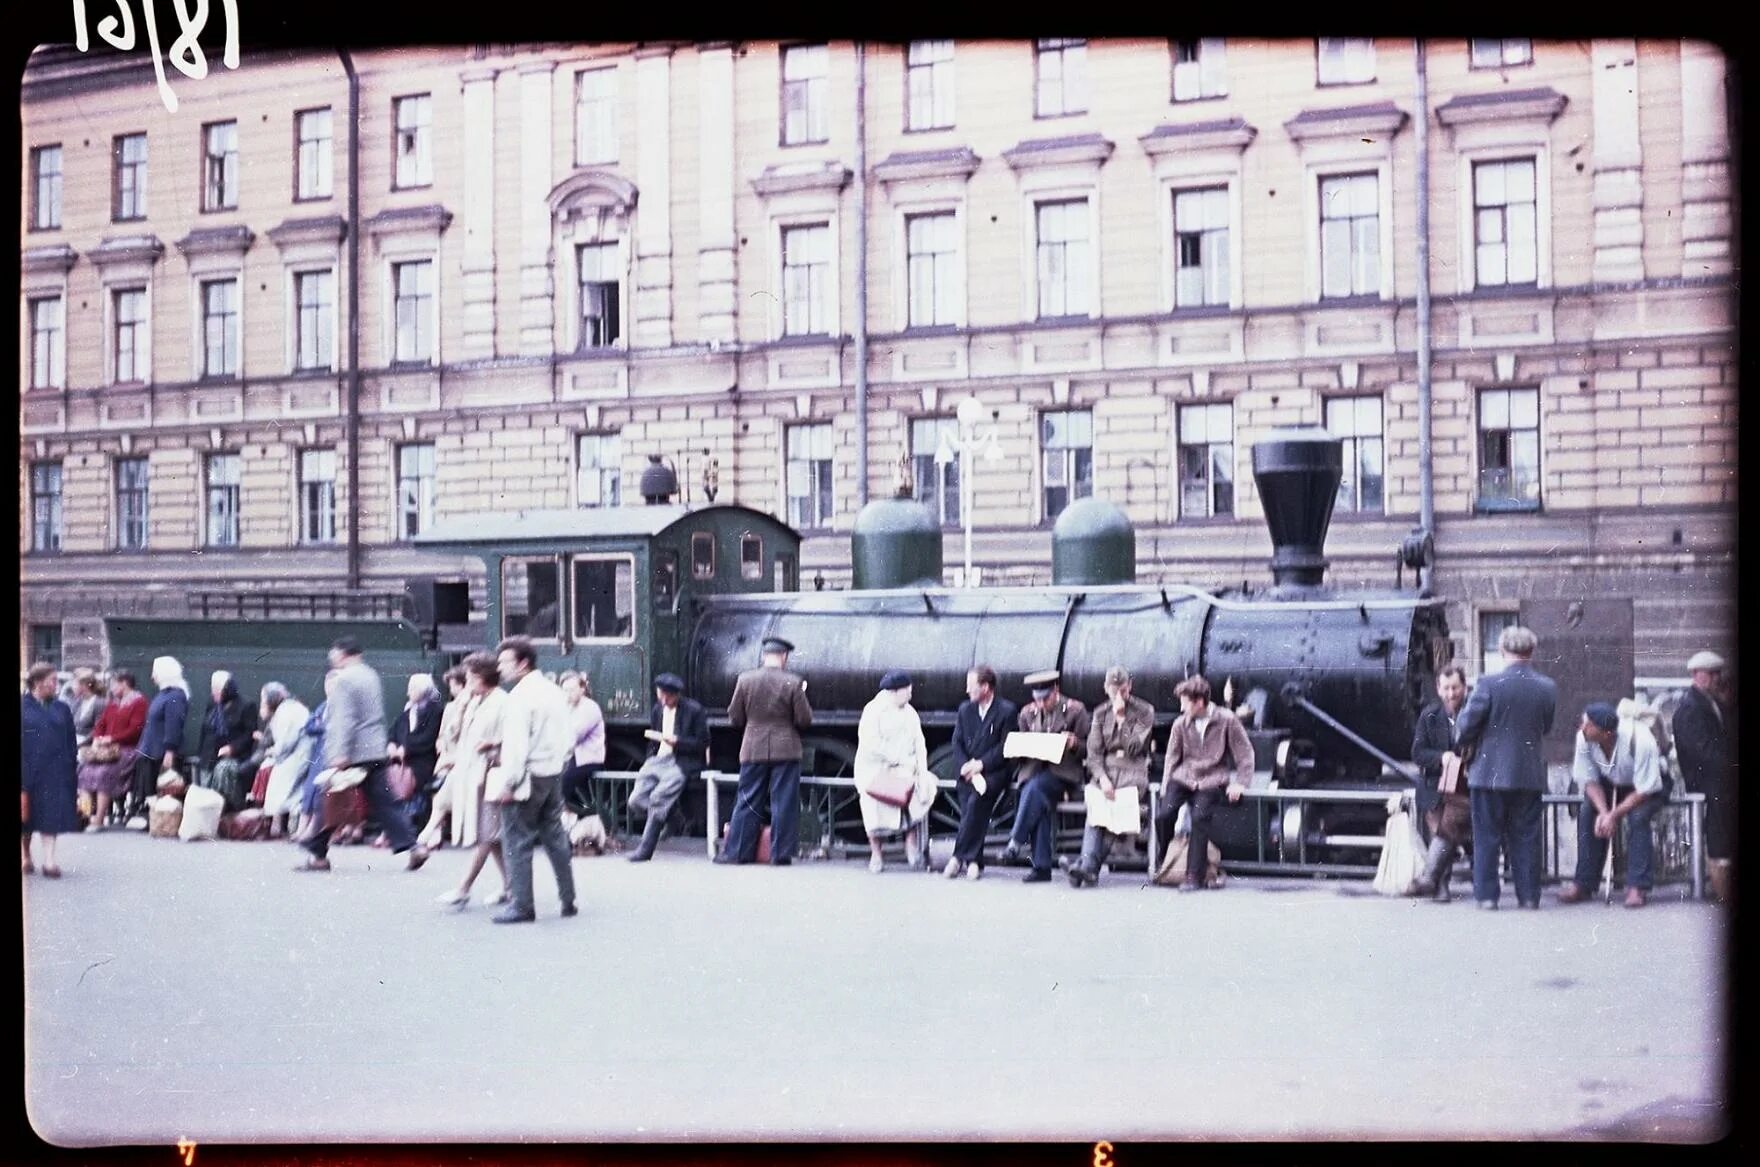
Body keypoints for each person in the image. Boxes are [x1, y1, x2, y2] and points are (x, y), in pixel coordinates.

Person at [296, 637, 429, 873]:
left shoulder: (344, 680)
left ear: (342, 654)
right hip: (374, 749)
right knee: (385, 803)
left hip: (353, 752)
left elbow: (342, 720)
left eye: (334, 654)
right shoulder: (370, 675)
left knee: (330, 799)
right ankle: (413, 846)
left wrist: (339, 754)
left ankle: (317, 854)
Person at [1455, 625, 1558, 911]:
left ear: (1502, 651)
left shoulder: (1488, 684)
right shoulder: (1547, 687)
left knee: (1486, 836)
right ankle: (1528, 896)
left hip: (1488, 774)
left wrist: (1468, 742)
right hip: (1528, 773)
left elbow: (1465, 727)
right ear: (1532, 651)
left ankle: (1488, 897)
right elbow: (1546, 727)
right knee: (1526, 837)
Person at [491, 637, 578, 923]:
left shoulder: (518, 698)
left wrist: (509, 783)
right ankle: (568, 898)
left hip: (527, 776)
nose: (500, 668)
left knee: (517, 839)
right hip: (552, 773)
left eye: (504, 662)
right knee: (555, 836)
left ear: (522, 663)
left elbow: (515, 747)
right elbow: (569, 737)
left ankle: (522, 905)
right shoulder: (554, 692)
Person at [1557, 702, 1665, 908]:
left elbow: (1644, 789)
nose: (1582, 728)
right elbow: (1588, 780)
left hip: (1645, 785)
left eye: (1589, 725)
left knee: (1638, 816)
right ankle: (1584, 883)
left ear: (1606, 733)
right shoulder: (1584, 738)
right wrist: (1605, 813)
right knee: (1588, 811)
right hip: (1610, 780)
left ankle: (1637, 887)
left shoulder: (1641, 741)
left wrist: (1614, 815)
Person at [1151, 674, 1253, 892]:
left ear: (1199, 702)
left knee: (1200, 817)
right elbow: (1172, 756)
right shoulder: (1180, 724)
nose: (1181, 708)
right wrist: (1166, 784)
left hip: (1211, 779)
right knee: (1164, 815)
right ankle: (1164, 857)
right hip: (1184, 776)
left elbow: (1244, 753)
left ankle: (1193, 876)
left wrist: (1241, 783)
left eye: (1184, 703)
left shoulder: (1227, 720)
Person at [720, 637, 814, 866]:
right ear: (784, 657)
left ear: (764, 656)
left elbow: (735, 717)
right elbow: (804, 719)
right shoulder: (793, 682)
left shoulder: (745, 679)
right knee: (784, 802)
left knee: (747, 799)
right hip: (786, 749)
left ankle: (738, 853)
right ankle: (780, 854)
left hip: (753, 747)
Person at [431, 655, 512, 908]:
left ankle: (463, 887)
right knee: (492, 835)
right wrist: (463, 704)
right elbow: (454, 733)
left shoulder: (502, 703)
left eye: (469, 678)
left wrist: (494, 745)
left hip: (491, 773)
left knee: (486, 835)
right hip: (473, 774)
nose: (466, 683)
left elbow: (511, 738)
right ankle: (510, 887)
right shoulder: (475, 701)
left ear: (480, 677)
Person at [1067, 666, 1157, 888]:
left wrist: (1121, 719)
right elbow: (1094, 753)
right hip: (1107, 771)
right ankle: (1087, 869)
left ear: (1130, 687)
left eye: (1124, 691)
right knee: (1098, 807)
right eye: (1115, 691)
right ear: (1106, 689)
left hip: (1132, 771)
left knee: (1112, 809)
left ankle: (1085, 866)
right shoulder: (1099, 713)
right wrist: (1102, 779)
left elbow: (1135, 748)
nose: (1119, 697)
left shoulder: (1145, 711)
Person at [999, 669, 1090, 884]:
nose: (1041, 704)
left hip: (1063, 774)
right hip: (1034, 772)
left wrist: (1075, 743)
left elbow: (1089, 748)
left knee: (1034, 790)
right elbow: (1019, 749)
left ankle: (1016, 841)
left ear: (1055, 691)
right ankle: (1041, 868)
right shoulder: (1026, 713)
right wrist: (1018, 748)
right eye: (1037, 700)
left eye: (1045, 699)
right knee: (1037, 797)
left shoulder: (1075, 710)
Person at [853, 670, 936, 874]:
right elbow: (871, 745)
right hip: (875, 769)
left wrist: (921, 769)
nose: (910, 695)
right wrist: (898, 759)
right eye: (907, 691)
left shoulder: (910, 712)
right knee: (872, 803)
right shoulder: (873, 711)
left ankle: (910, 842)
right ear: (895, 691)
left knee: (921, 789)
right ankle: (876, 853)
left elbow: (919, 743)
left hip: (906, 768)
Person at [942, 665, 1018, 881]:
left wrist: (981, 765)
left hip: (993, 772)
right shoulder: (965, 710)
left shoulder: (1006, 710)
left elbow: (1005, 747)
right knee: (969, 807)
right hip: (967, 771)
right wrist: (965, 765)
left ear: (986, 687)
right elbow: (956, 742)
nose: (967, 691)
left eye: (971, 686)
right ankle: (975, 860)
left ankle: (957, 857)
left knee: (976, 802)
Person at [627, 673, 709, 863]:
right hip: (659, 760)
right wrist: (650, 758)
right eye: (660, 695)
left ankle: (645, 850)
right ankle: (673, 817)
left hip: (682, 761)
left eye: (668, 696)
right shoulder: (657, 710)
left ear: (677, 695)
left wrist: (678, 741)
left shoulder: (694, 710)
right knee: (636, 799)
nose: (664, 700)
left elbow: (703, 742)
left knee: (657, 799)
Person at [1671, 650, 1732, 902]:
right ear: (1697, 675)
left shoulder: (1708, 701)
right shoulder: (1691, 707)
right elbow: (1704, 751)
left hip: (1716, 780)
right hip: (1708, 783)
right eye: (1712, 673)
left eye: (1718, 673)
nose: (1717, 678)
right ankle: (1722, 889)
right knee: (1717, 835)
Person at [1407, 666, 1472, 901]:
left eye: (1455, 688)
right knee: (1441, 830)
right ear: (1438, 688)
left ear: (1464, 687)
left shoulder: (1473, 713)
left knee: (1448, 826)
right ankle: (1439, 884)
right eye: (1445, 688)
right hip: (1434, 785)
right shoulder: (1429, 715)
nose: (1451, 694)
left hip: (1463, 788)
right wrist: (1441, 758)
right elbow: (1417, 753)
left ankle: (1432, 880)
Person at [23, 662, 81, 877]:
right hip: (27, 769)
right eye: (53, 680)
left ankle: (49, 861)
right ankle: (26, 856)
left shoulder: (61, 708)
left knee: (50, 815)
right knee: (26, 817)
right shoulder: (23, 706)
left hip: (54, 771)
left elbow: (71, 740)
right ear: (38, 682)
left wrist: (70, 763)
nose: (56, 684)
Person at [78, 669, 147, 831]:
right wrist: (97, 738)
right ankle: (86, 816)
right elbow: (101, 724)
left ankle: (99, 820)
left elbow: (135, 729)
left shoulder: (139, 702)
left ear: (123, 683)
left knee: (103, 774)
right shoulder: (113, 702)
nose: (111, 687)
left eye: (114, 684)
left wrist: (111, 738)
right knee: (84, 772)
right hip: (105, 750)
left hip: (126, 750)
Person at [131, 656, 191, 820]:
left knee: (163, 787)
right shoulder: (164, 694)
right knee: (151, 788)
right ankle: (155, 818)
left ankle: (163, 820)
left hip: (161, 752)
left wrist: (170, 751)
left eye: (155, 672)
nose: (152, 677)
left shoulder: (176, 696)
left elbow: (174, 725)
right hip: (151, 750)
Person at [389, 673, 444, 836]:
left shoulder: (435, 711)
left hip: (423, 760)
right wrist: (392, 745)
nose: (408, 693)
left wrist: (406, 749)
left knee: (413, 779)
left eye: (412, 689)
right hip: (402, 761)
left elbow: (429, 737)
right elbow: (394, 732)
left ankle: (410, 824)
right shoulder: (407, 712)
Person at [258, 683, 313, 839]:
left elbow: (285, 744)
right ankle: (285, 826)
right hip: (300, 754)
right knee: (290, 789)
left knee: (280, 784)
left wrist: (272, 752)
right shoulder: (289, 708)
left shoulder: (286, 712)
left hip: (297, 756)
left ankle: (285, 827)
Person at [199, 670, 259, 811]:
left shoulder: (246, 705)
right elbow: (205, 729)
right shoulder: (212, 704)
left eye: (217, 690)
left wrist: (232, 748)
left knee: (223, 781)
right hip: (209, 755)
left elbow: (249, 734)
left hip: (233, 757)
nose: (214, 693)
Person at [559, 672, 607, 816]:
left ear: (582, 689)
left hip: (588, 760)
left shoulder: (590, 708)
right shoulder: (566, 708)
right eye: (565, 690)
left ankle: (577, 815)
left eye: (572, 690)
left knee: (561, 784)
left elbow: (573, 736)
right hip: (572, 758)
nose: (568, 694)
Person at [67, 670, 108, 753]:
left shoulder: (99, 703)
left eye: (74, 684)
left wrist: (78, 745)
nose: (72, 687)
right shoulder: (76, 702)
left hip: (87, 746)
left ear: (84, 685)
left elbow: (97, 730)